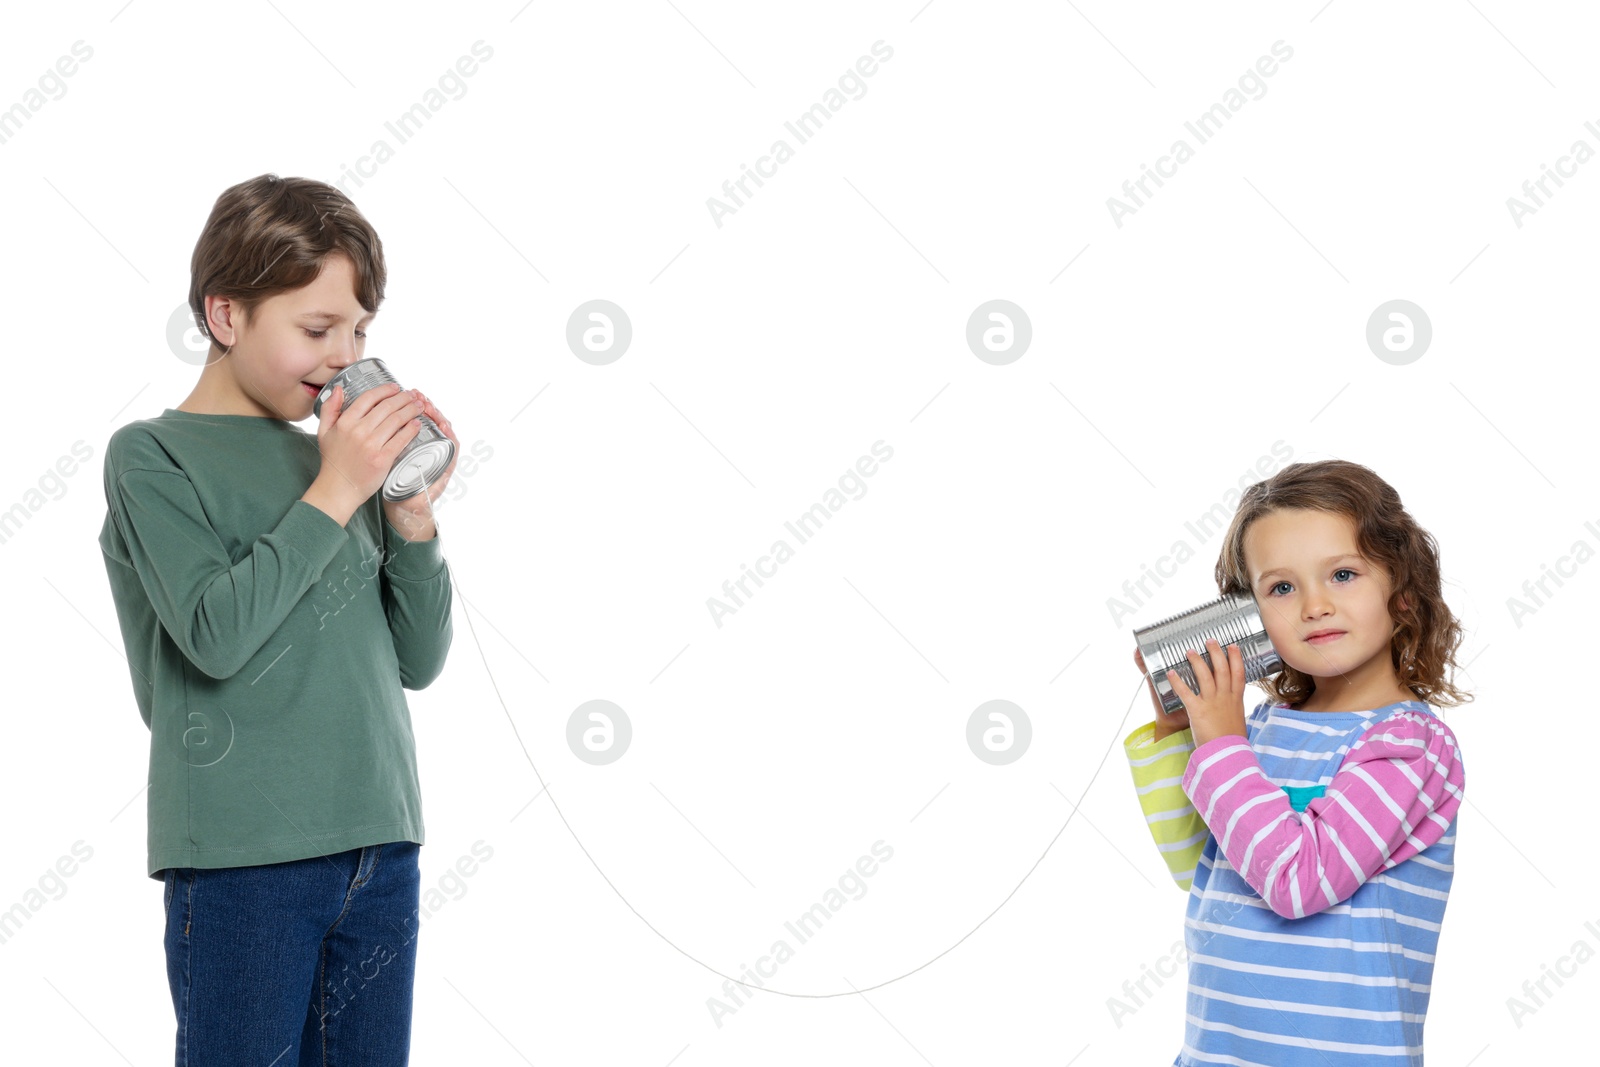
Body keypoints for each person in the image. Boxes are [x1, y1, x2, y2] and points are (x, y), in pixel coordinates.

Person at [97, 173, 460, 1065]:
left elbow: (419, 658)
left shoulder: (337, 461)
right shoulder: (152, 456)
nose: (344, 354)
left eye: (360, 330)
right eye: (316, 329)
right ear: (226, 316)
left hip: (379, 840)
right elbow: (215, 634)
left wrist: (411, 521)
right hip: (243, 855)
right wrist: (337, 489)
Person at [1123, 459, 1468, 1067]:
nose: (1314, 606)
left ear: (1404, 596)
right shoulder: (1256, 730)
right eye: (1281, 587)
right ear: (1248, 619)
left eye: (1342, 574)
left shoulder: (1409, 745)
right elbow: (1197, 868)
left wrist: (1222, 745)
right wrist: (1188, 731)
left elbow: (1298, 883)